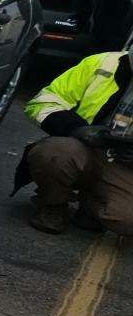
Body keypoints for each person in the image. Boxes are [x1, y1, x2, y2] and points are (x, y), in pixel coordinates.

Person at [16, 49, 133, 235]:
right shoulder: (103, 62)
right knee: (55, 152)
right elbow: (44, 101)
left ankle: (91, 205)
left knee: (127, 220)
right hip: (84, 147)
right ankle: (53, 204)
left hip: (125, 165)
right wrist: (76, 128)